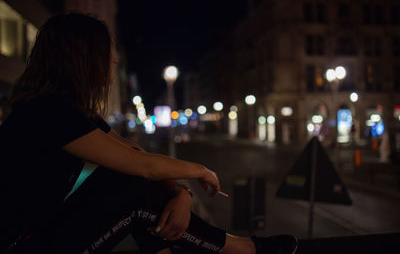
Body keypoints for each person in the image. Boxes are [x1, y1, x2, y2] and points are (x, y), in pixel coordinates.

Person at [0, 13, 297, 254]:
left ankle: (239, 248)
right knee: (131, 191)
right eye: (107, 53)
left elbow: (134, 155)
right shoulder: (48, 113)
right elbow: (144, 166)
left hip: (43, 233)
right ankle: (243, 249)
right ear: (83, 59)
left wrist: (180, 191)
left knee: (125, 181)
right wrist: (199, 170)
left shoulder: (67, 111)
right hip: (22, 245)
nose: (113, 61)